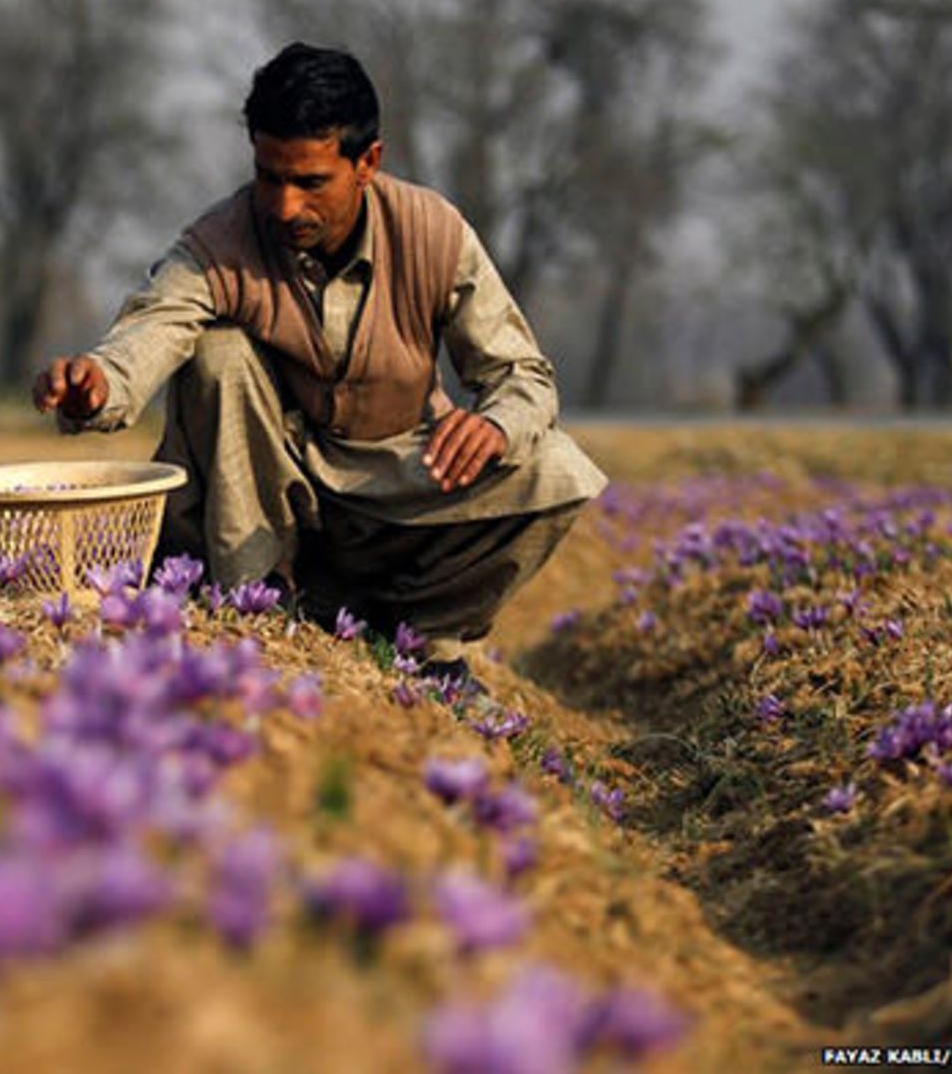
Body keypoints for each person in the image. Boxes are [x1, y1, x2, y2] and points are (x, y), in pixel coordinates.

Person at [32, 42, 607, 692]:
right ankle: (254, 608)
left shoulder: (433, 232)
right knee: (217, 353)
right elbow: (148, 331)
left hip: (399, 479)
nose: (283, 206)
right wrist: (98, 385)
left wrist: (497, 424)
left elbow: (524, 375)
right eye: (268, 176)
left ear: (368, 163)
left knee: (555, 468)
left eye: (310, 182)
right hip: (276, 489)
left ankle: (422, 635)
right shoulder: (218, 244)